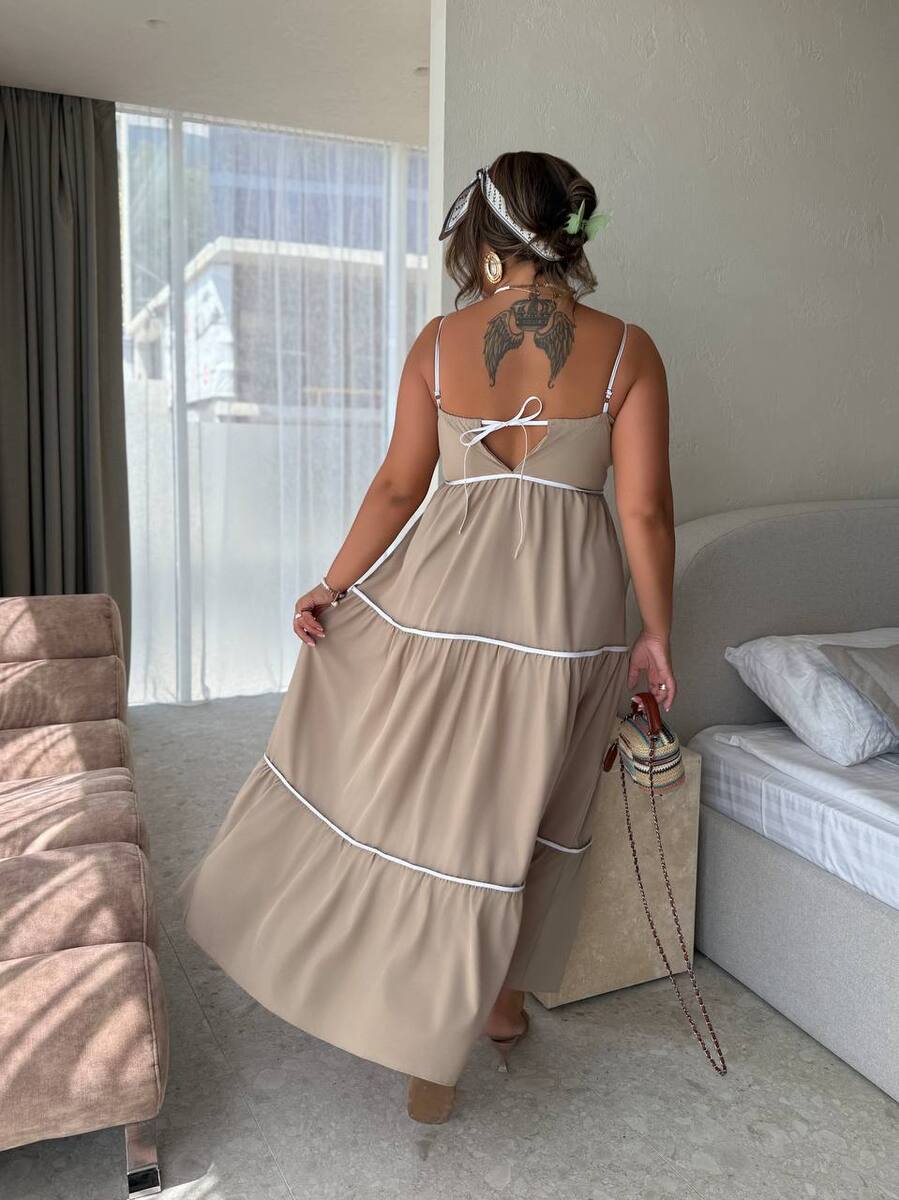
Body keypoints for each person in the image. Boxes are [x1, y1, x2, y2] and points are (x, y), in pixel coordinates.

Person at [178, 150, 676, 1125]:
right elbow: (646, 510)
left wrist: (332, 584)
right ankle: (492, 1009)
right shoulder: (628, 351)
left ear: (484, 243)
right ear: (569, 237)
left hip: (442, 608)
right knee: (532, 808)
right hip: (565, 623)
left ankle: (423, 1033)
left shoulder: (441, 344)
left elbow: (397, 487)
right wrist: (656, 632)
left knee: (437, 809)